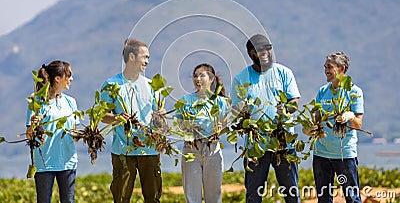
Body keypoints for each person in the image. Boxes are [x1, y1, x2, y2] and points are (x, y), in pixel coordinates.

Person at [230, 34, 301, 203]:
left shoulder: (284, 72)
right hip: (255, 146)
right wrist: (243, 112)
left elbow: (294, 102)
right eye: (260, 49)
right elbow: (235, 110)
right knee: (253, 195)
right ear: (250, 53)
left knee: (291, 193)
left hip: (284, 143)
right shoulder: (241, 78)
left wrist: (284, 110)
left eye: (267, 49)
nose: (265, 52)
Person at [100, 38, 163, 203]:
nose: (147, 61)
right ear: (132, 57)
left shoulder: (152, 86)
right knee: (121, 198)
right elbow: (102, 116)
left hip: (149, 149)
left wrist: (160, 116)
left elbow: (158, 118)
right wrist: (117, 118)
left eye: (148, 57)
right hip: (123, 150)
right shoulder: (111, 84)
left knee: (153, 198)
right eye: (145, 57)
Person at [304, 51, 364, 203]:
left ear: (341, 68)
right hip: (321, 154)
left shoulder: (354, 91)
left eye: (329, 67)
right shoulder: (322, 91)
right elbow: (317, 121)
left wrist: (349, 116)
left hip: (344, 154)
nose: (326, 70)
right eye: (325, 67)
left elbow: (358, 124)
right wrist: (309, 129)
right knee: (323, 199)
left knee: (352, 198)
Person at [26, 60, 79, 203]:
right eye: (68, 75)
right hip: (44, 162)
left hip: (68, 161)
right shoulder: (36, 100)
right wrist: (32, 125)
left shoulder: (71, 102)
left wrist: (87, 134)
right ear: (57, 78)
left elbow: (74, 132)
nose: (71, 79)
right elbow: (29, 135)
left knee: (68, 201)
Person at [175, 63, 229, 203]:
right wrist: (187, 127)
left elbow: (225, 126)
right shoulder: (185, 101)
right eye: (195, 76)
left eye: (202, 75)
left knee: (214, 194)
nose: (197, 79)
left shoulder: (221, 102)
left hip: (212, 149)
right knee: (192, 195)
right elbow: (179, 125)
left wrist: (219, 129)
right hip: (191, 149)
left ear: (211, 79)